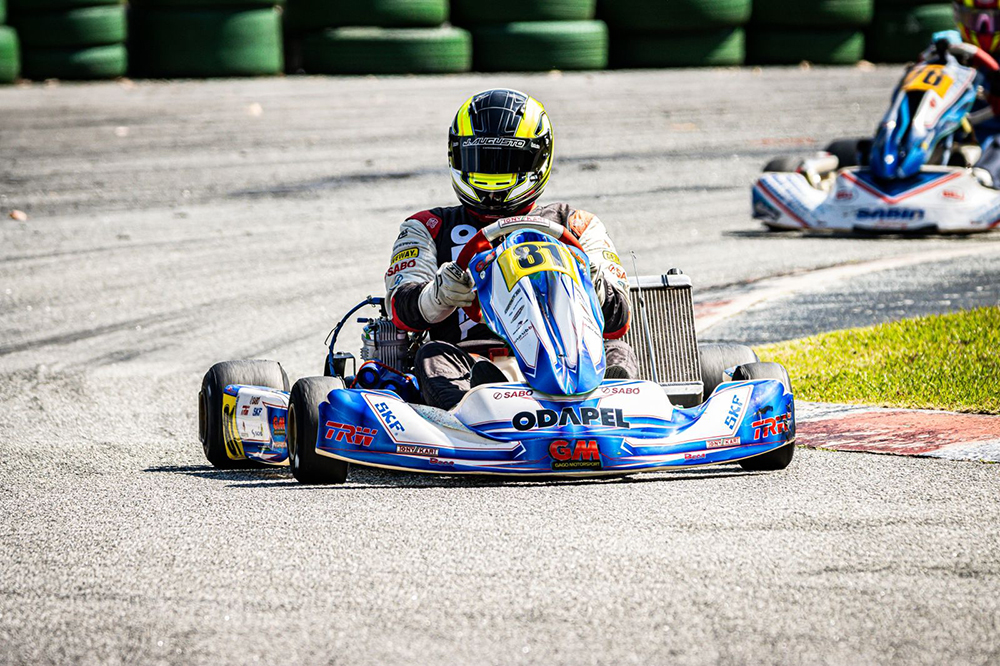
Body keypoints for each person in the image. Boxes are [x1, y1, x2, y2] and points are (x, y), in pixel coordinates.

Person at [383, 88, 638, 410]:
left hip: (572, 357)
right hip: (471, 359)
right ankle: (471, 419)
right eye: (480, 161)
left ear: (539, 159)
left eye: (505, 162)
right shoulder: (429, 227)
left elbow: (618, 321)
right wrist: (438, 296)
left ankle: (611, 408)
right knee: (433, 357)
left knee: (617, 350)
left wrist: (592, 280)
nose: (492, 178)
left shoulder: (576, 225)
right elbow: (400, 309)